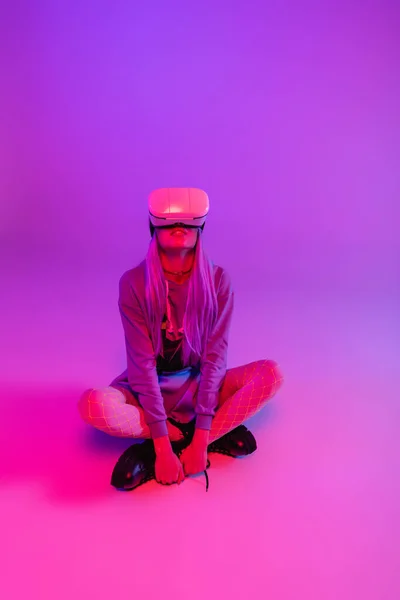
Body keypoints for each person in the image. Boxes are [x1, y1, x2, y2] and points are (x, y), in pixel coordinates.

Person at [78, 187, 284, 491]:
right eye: (170, 223)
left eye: (189, 223)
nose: (180, 229)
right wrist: (163, 446)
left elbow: (215, 357)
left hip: (199, 384)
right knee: (92, 404)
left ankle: (201, 438)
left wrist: (201, 439)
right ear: (153, 226)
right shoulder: (133, 283)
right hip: (147, 388)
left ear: (201, 227)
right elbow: (141, 364)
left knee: (270, 375)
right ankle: (177, 439)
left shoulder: (218, 281)